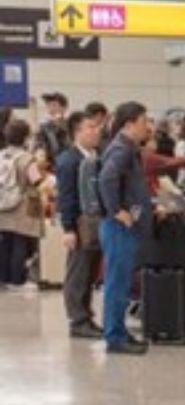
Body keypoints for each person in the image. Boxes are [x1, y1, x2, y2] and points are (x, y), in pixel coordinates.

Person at [96, 103, 153, 355]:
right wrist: (117, 210)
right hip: (117, 228)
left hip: (121, 227)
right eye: (144, 121)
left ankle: (118, 331)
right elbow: (107, 179)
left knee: (120, 282)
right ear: (129, 124)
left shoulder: (127, 149)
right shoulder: (121, 150)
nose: (147, 126)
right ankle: (115, 338)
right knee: (117, 284)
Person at [56, 111, 104, 337]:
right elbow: (66, 197)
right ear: (77, 132)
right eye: (91, 127)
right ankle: (77, 321)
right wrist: (68, 228)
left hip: (96, 223)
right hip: (79, 224)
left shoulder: (95, 156)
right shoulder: (69, 160)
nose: (96, 131)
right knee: (78, 272)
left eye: (97, 127)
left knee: (90, 272)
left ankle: (86, 316)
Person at [0, 120, 45, 288]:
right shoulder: (26, 159)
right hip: (21, 204)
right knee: (20, 241)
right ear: (26, 138)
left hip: (3, 204)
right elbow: (37, 181)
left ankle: (3, 278)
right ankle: (17, 280)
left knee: (5, 243)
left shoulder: (2, 154)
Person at [35, 92, 70, 161]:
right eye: (48, 106)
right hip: (51, 166)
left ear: (64, 108)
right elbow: (40, 148)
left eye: (54, 105)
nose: (51, 109)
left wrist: (60, 127)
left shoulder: (71, 125)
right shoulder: (43, 128)